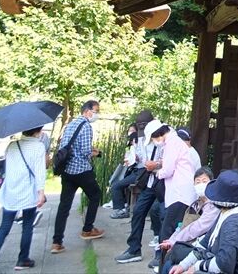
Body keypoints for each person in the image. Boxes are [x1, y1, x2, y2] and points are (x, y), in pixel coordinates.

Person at [0, 126, 47, 274]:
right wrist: (41, 193)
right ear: (37, 131)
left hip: (10, 192)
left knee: (4, 228)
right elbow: (40, 173)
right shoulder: (38, 147)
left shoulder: (12, 145)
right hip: (28, 192)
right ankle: (23, 259)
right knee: (27, 226)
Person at [169, 170, 238, 274]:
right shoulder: (225, 212)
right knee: (172, 267)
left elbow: (223, 265)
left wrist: (196, 267)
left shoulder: (236, 222)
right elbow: (204, 244)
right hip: (220, 263)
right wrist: (183, 265)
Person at [51, 100, 104, 254]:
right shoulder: (86, 126)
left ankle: (56, 242)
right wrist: (97, 153)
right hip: (81, 170)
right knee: (95, 195)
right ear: (87, 111)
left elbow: (67, 146)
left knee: (64, 206)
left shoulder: (71, 124)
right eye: (96, 111)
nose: (97, 114)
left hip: (67, 171)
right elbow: (86, 151)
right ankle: (87, 229)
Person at [146, 124, 197, 270]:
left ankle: (164, 266)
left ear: (159, 134)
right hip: (181, 194)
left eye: (153, 138)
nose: (154, 141)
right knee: (175, 231)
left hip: (179, 195)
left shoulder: (172, 143)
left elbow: (167, 170)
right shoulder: (175, 142)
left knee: (167, 234)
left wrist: (157, 172)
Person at [115, 118, 165, 264]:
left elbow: (172, 160)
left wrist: (157, 164)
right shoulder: (140, 139)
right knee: (138, 211)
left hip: (164, 183)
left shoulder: (166, 138)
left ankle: (161, 253)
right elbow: (141, 159)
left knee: (160, 214)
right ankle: (134, 249)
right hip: (150, 182)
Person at [157, 167, 216, 273]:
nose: (201, 184)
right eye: (198, 182)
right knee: (165, 251)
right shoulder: (196, 204)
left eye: (204, 181)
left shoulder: (213, 206)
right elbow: (183, 225)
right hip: (187, 242)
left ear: (211, 183)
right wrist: (171, 240)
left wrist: (176, 241)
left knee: (171, 258)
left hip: (201, 247)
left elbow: (198, 227)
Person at [109, 122, 140, 218]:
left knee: (116, 186)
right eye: (129, 131)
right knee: (115, 182)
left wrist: (135, 158)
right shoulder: (129, 144)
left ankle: (121, 210)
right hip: (130, 169)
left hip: (138, 172)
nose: (130, 132)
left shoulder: (140, 143)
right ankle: (124, 205)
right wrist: (127, 159)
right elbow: (127, 155)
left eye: (133, 131)